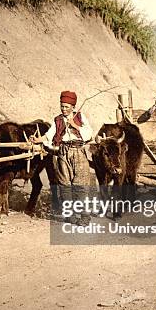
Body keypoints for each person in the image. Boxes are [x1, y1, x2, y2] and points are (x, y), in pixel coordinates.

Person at [31, 91, 94, 225]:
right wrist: (38, 140)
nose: (64, 109)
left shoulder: (80, 117)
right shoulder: (58, 120)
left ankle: (84, 217)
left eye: (67, 107)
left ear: (73, 106)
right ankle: (70, 216)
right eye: (62, 106)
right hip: (63, 152)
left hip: (78, 152)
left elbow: (89, 134)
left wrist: (75, 125)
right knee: (64, 185)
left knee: (80, 184)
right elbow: (49, 135)